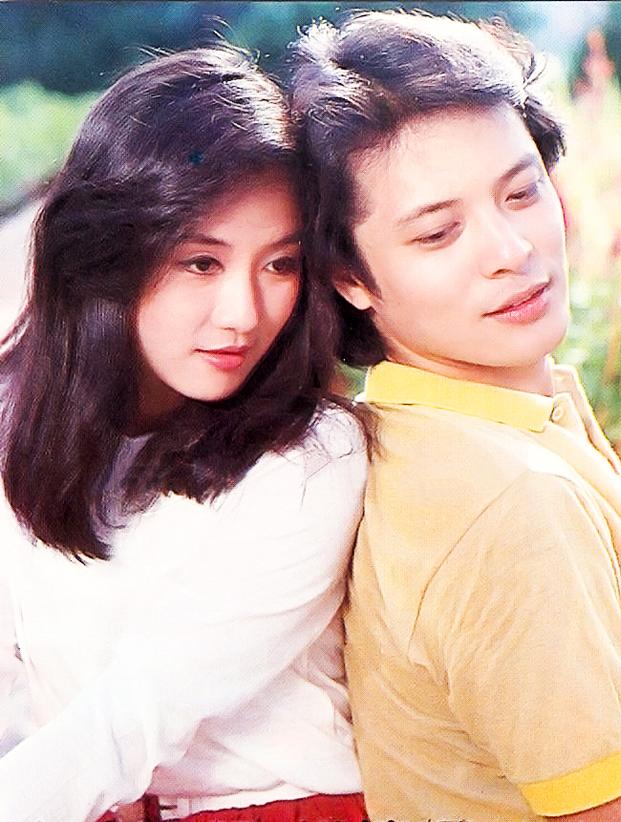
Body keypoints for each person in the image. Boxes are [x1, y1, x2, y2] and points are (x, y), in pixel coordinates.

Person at [0, 44, 369, 822]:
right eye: (201, 263)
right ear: (111, 252)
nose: (243, 314)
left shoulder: (312, 456)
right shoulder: (19, 416)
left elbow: (138, 715)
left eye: (280, 265)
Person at [290, 10, 621, 821]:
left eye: (522, 192)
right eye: (439, 233)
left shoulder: (444, 431)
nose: (511, 250)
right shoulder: (510, 505)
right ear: (349, 277)